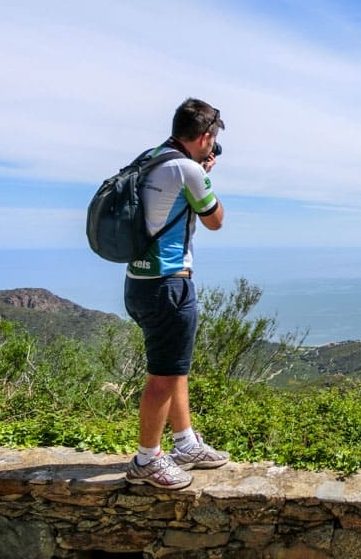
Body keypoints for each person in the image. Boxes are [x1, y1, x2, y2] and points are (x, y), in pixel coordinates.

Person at [123, 98, 229, 489]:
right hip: (169, 283)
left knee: (174, 366)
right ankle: (146, 461)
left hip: (139, 280)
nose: (212, 145)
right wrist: (204, 175)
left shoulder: (151, 158)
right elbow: (215, 220)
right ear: (204, 137)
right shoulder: (187, 170)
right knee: (163, 377)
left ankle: (184, 443)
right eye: (212, 139)